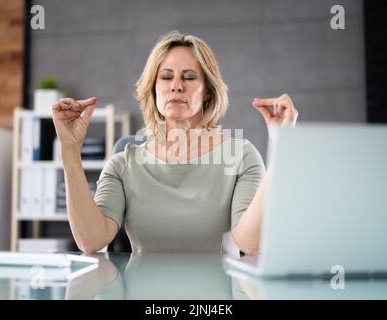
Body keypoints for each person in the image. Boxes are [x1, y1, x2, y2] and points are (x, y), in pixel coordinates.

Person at [51, 31, 298, 255]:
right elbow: (91, 241)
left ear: (208, 92)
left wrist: (282, 148)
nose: (176, 86)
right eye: (166, 77)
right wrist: (70, 150)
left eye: (189, 78)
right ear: (153, 89)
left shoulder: (241, 157)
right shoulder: (124, 163)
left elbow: (250, 244)